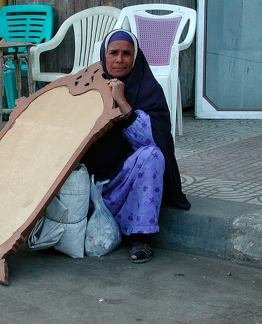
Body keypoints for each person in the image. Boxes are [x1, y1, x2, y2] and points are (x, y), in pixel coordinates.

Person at [81, 29, 191, 263]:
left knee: (152, 156)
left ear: (135, 57)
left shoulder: (148, 89)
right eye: (113, 53)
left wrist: (121, 101)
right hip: (90, 188)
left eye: (126, 53)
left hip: (126, 184)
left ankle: (142, 236)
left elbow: (152, 140)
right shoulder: (88, 88)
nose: (119, 59)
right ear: (104, 55)